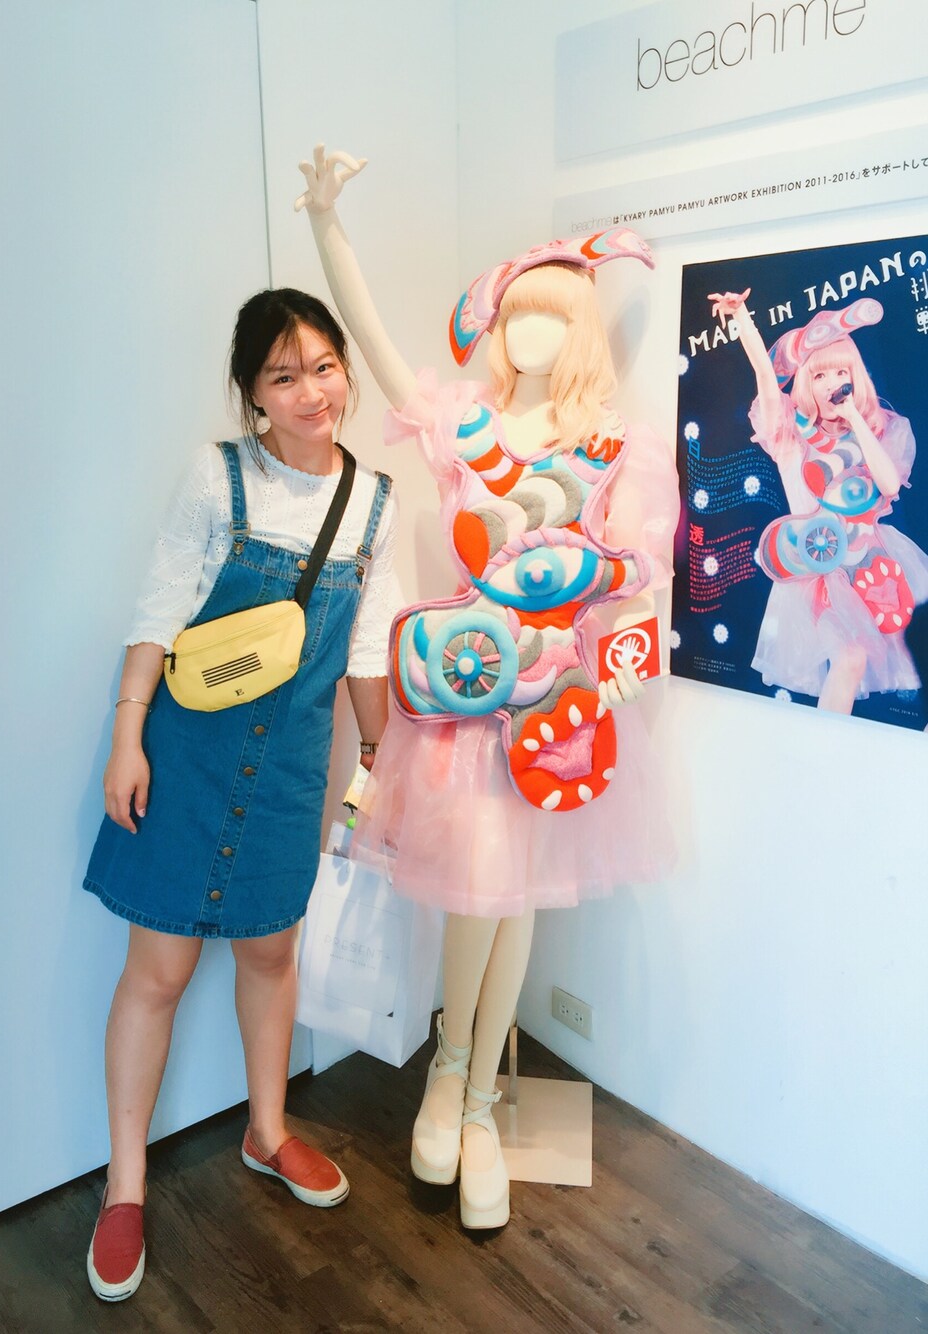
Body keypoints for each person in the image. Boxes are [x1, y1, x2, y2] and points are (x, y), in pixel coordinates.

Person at [297, 146, 678, 1230]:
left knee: (518, 901)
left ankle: (468, 1105)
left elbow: (638, 588)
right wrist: (328, 226)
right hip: (466, 700)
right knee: (483, 891)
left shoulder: (615, 447)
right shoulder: (465, 426)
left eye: (555, 318)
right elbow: (376, 345)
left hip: (556, 709)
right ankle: (453, 1073)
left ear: (583, 331)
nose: (533, 337)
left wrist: (616, 680)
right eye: (518, 317)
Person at [81, 287, 399, 1300]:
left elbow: (364, 649)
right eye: (283, 375)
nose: (311, 391)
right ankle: (125, 1184)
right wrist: (127, 739)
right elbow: (158, 612)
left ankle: (267, 1130)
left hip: (293, 766)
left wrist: (383, 762)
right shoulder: (217, 478)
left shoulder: (376, 501)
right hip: (186, 756)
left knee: (270, 952)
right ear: (252, 392)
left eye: (324, 366)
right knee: (159, 970)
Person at [709, 289, 928, 713]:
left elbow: (888, 484)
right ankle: (827, 745)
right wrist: (742, 317)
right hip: (817, 567)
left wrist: (855, 419)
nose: (831, 384)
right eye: (819, 375)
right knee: (850, 657)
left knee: (892, 650)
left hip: (871, 559)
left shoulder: (876, 430)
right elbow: (765, 375)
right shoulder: (789, 435)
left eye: (840, 372)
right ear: (806, 382)